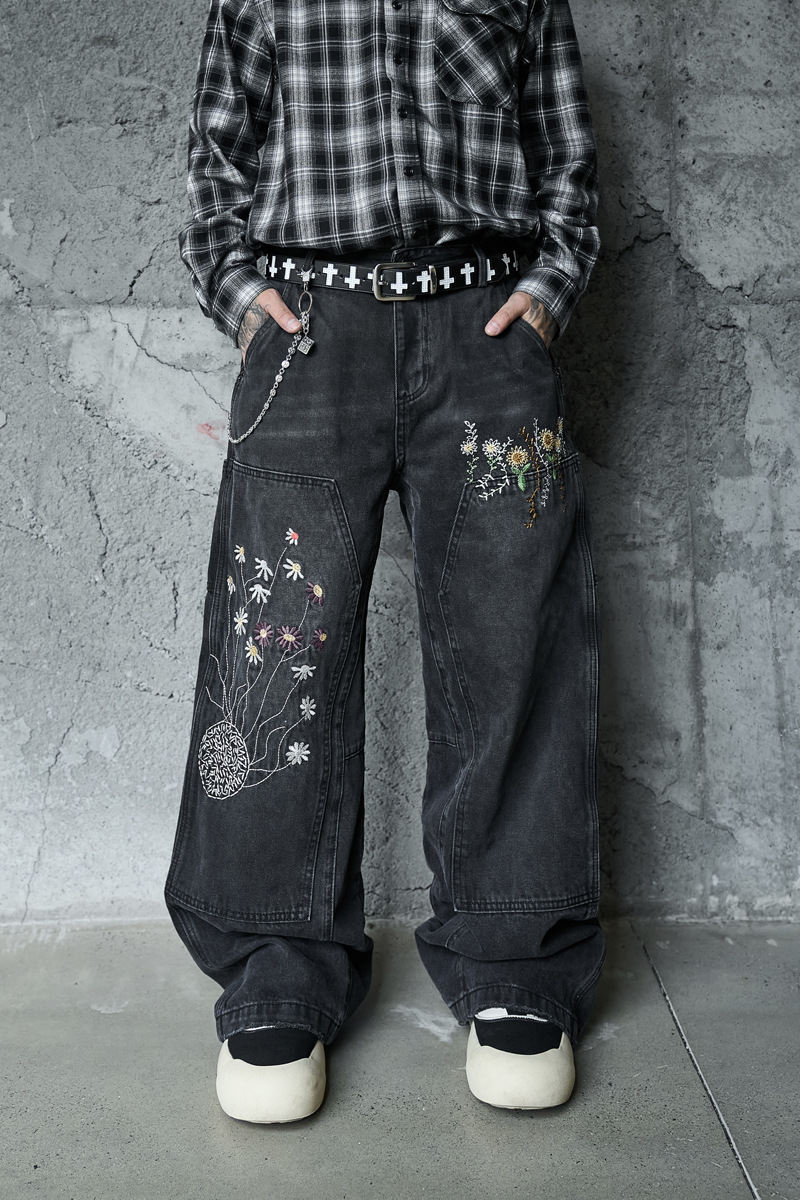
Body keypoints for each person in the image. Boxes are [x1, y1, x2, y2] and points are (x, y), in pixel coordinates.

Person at [165, 0, 604, 1124]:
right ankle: (274, 970)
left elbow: (565, 152)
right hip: (311, 334)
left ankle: (515, 960)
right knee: (277, 654)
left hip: (487, 334)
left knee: (512, 642)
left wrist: (547, 293)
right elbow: (217, 156)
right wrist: (242, 298)